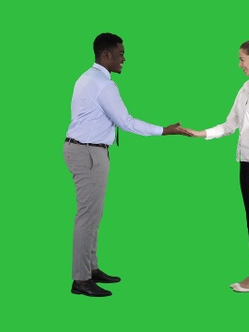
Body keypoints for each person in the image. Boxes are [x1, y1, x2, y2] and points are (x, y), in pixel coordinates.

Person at [63, 32, 190, 297]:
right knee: (88, 217)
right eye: (120, 53)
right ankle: (80, 280)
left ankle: (91, 269)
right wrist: (165, 130)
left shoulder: (87, 77)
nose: (124, 58)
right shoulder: (104, 85)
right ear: (106, 55)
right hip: (88, 153)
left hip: (84, 149)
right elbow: (126, 122)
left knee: (92, 215)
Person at [184, 35, 249, 293]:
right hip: (245, 162)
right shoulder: (245, 88)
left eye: (242, 59)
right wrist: (201, 133)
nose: (239, 64)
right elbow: (230, 124)